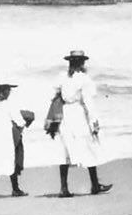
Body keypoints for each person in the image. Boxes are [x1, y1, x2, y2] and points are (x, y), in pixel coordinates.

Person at [48, 50, 112, 198]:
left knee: (64, 151)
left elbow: (53, 95)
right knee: (88, 147)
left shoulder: (62, 77)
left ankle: (64, 188)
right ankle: (95, 185)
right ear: (82, 63)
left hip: (64, 114)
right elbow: (88, 102)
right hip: (78, 114)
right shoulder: (84, 79)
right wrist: (94, 122)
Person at [0, 84, 31, 199]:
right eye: (8, 90)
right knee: (11, 160)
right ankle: (15, 189)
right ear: (4, 92)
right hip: (7, 136)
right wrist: (25, 122)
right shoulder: (9, 104)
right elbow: (19, 120)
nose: (10, 91)